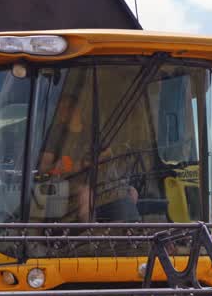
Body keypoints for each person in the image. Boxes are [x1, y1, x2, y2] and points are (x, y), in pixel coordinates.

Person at [38, 92, 140, 222]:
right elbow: (44, 167)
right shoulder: (55, 133)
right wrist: (75, 165)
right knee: (86, 193)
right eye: (60, 108)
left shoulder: (92, 131)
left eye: (68, 107)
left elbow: (108, 154)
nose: (63, 111)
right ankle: (89, 236)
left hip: (98, 182)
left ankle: (129, 236)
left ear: (77, 109)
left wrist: (99, 158)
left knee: (131, 191)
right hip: (67, 183)